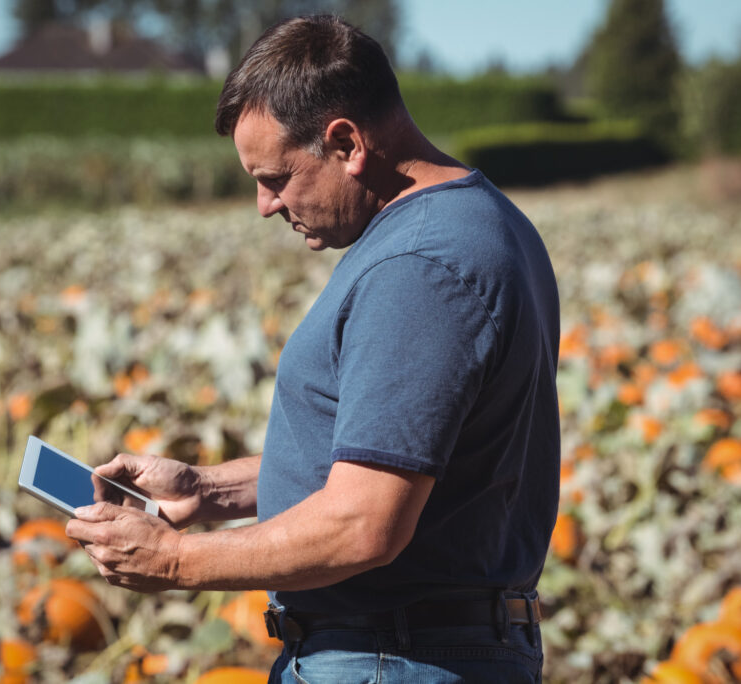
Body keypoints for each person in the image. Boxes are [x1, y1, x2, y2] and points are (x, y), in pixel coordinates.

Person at [66, 14, 560, 683]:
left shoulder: (418, 266)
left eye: (275, 177)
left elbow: (364, 522)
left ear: (347, 142)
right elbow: (397, 454)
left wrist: (176, 560)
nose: (265, 205)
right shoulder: (477, 221)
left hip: (394, 656)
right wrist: (208, 489)